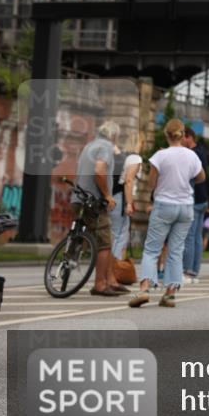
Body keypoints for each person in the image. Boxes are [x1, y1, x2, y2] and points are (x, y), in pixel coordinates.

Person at [128, 119, 205, 308]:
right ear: (181, 134)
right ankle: (170, 294)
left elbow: (152, 183)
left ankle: (145, 289)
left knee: (152, 249)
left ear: (167, 135)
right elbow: (202, 177)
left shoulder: (160, 156)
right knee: (176, 251)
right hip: (186, 207)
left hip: (164, 205)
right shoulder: (191, 155)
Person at [76, 121, 128, 296]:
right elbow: (99, 171)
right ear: (113, 136)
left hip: (78, 197)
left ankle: (111, 280)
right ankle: (100, 284)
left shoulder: (89, 146)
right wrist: (107, 195)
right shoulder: (106, 146)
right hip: (94, 201)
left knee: (103, 238)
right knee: (104, 244)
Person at [182, 126, 209, 284]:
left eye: (182, 139)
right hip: (203, 199)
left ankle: (187, 271)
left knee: (190, 236)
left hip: (194, 199)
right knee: (197, 237)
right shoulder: (202, 151)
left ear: (189, 137)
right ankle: (194, 271)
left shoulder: (192, 154)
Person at [109, 145, 143, 261]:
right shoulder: (135, 159)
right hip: (120, 198)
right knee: (120, 235)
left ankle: (111, 266)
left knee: (114, 233)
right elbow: (129, 181)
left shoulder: (116, 158)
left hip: (110, 196)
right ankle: (114, 267)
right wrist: (129, 204)